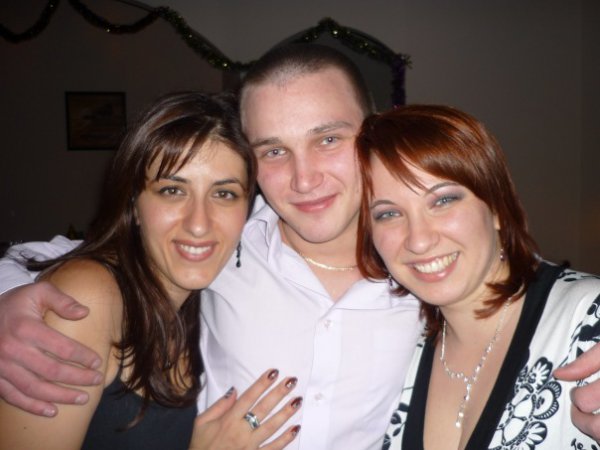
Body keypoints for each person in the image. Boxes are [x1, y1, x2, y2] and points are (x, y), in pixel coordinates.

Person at [0, 44, 422, 449]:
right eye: (274, 150)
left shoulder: (425, 265)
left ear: (374, 133)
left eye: (328, 139)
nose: (304, 178)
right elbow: (59, 256)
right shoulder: (230, 241)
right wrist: (10, 296)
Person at [0, 91, 302, 450]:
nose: (199, 224)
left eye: (224, 194)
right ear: (134, 202)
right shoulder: (88, 300)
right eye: (173, 190)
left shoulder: (210, 300)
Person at [355, 104, 600, 449]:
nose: (419, 240)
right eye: (388, 214)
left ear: (497, 206)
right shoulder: (401, 350)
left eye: (443, 201)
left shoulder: (587, 319)